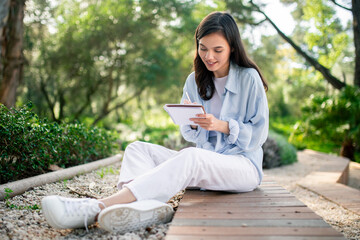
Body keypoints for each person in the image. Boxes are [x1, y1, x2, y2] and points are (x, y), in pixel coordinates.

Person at [41, 11, 269, 234]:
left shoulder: (249, 78)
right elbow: (190, 135)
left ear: (232, 47)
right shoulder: (195, 80)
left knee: (191, 156)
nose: (209, 56)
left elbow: (259, 135)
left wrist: (220, 125)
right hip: (206, 164)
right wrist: (191, 123)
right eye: (203, 48)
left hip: (242, 166)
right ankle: (143, 209)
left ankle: (97, 207)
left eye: (218, 50)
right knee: (137, 149)